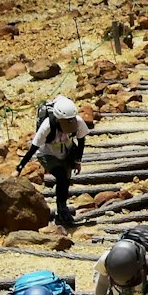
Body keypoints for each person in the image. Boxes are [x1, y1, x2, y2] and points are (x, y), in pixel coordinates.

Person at [18, 97, 88, 230]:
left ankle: (62, 208)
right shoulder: (47, 125)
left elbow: (81, 141)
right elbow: (33, 147)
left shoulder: (77, 121)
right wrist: (19, 167)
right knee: (61, 176)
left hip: (66, 152)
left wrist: (77, 161)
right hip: (47, 154)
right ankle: (61, 209)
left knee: (66, 180)